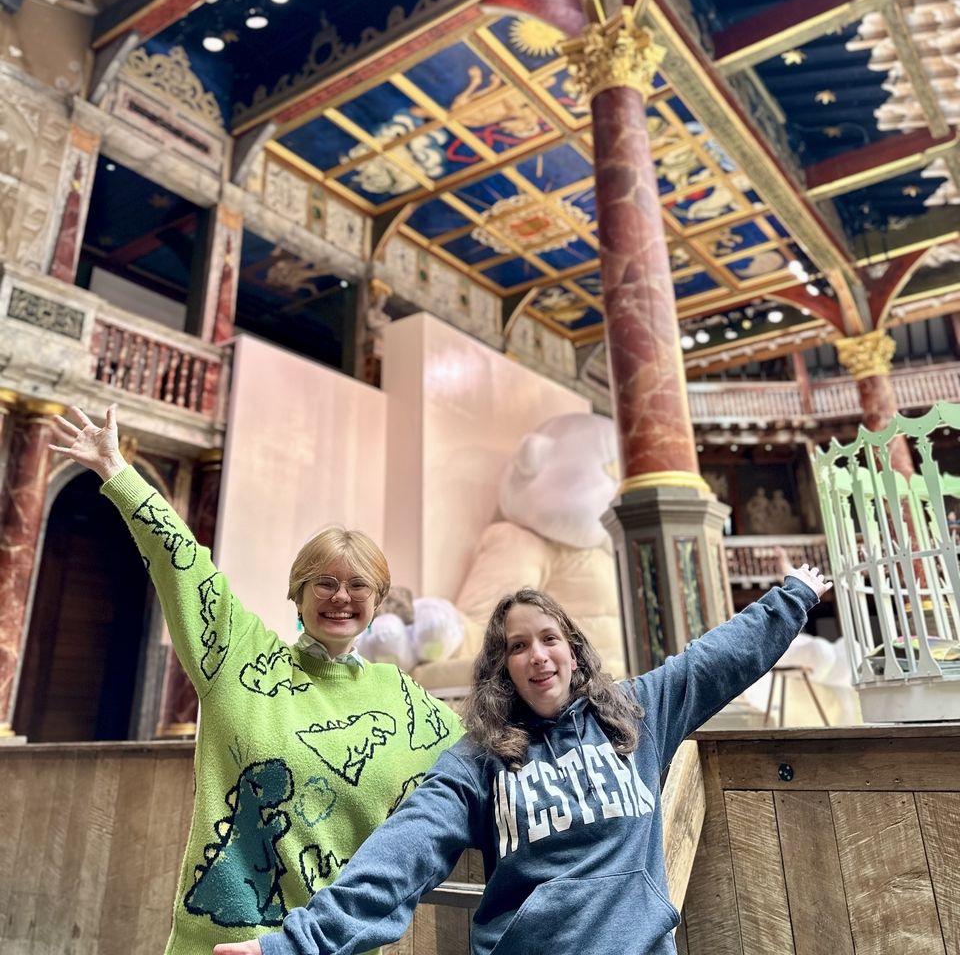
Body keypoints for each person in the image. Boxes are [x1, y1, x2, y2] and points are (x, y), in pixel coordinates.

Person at [213, 563, 831, 955]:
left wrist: (793, 596)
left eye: (550, 639)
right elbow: (401, 854)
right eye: (517, 646)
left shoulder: (636, 712)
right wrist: (292, 947)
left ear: (573, 650)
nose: (537, 656)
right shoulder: (477, 761)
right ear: (502, 667)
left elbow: (715, 659)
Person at [49, 404, 462, 955]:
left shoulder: (403, 697)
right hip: (224, 943)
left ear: (378, 602)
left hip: (335, 946)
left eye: (358, 585)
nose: (340, 596)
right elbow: (182, 564)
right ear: (296, 593)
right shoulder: (240, 658)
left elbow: (491, 751)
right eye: (323, 582)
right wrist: (117, 472)